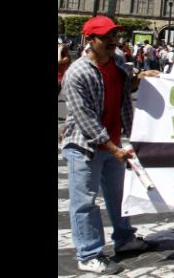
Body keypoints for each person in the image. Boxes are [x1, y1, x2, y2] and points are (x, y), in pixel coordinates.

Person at [60, 16, 161, 274]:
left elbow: (129, 84)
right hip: (85, 147)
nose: (112, 41)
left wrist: (142, 76)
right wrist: (114, 148)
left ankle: (124, 239)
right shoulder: (76, 73)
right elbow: (85, 119)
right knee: (84, 203)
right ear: (89, 40)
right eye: (105, 37)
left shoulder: (116, 62)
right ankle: (88, 254)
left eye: (114, 36)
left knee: (118, 197)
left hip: (114, 143)